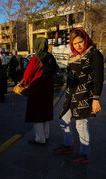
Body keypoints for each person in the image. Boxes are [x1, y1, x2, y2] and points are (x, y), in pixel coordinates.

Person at [54, 28, 104, 164]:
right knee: (63, 120)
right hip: (71, 95)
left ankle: (84, 153)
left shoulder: (94, 54)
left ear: (86, 39)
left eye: (80, 42)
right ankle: (68, 145)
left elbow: (99, 78)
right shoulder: (74, 55)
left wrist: (96, 99)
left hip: (85, 95)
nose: (78, 45)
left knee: (81, 125)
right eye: (75, 43)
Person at [23, 37, 58, 145]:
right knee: (46, 113)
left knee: (37, 114)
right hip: (48, 90)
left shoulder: (35, 59)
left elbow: (27, 75)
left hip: (37, 90)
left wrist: (25, 83)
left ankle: (40, 138)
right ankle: (46, 135)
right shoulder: (51, 57)